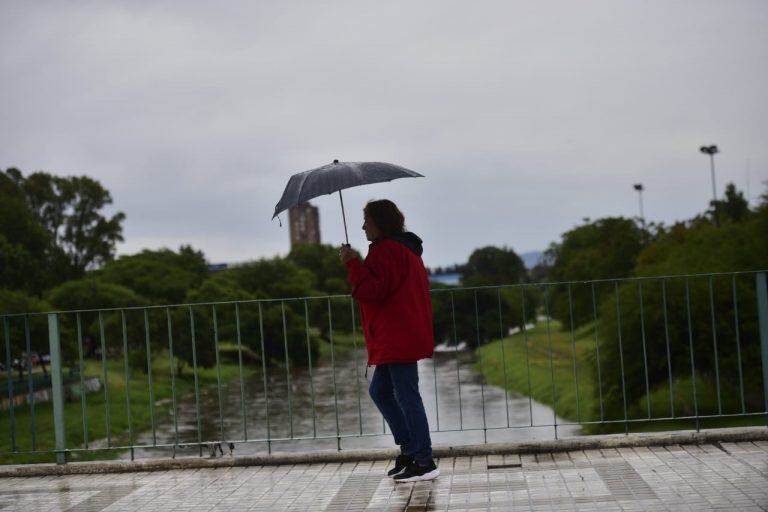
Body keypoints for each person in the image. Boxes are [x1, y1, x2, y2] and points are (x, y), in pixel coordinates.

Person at [339, 199, 438, 483]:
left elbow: (372, 291)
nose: (362, 225)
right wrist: (357, 261)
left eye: (367, 219)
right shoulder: (399, 247)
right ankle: (410, 450)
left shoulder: (389, 250)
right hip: (397, 333)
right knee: (381, 391)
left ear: (380, 221)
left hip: (397, 334)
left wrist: (352, 263)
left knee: (407, 397)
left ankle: (425, 461)